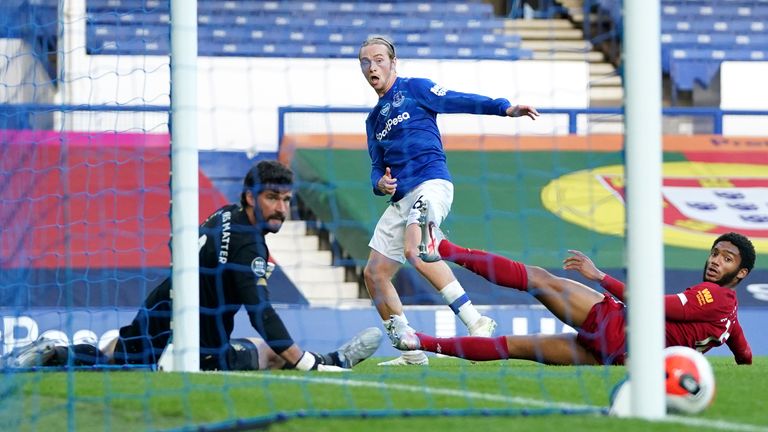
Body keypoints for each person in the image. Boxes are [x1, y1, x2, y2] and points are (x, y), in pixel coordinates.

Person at [4, 160, 382, 372]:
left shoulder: (224, 214)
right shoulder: (250, 245)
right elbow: (261, 312)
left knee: (118, 354)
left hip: (158, 311)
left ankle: (57, 349)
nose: (281, 208)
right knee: (266, 352)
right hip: (199, 344)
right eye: (272, 198)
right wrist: (304, 364)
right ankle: (332, 361)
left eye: (285, 199)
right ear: (250, 197)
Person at [358, 35, 540, 366]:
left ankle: (477, 322)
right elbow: (374, 167)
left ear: (393, 62)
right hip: (400, 199)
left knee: (417, 250)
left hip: (431, 183)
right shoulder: (373, 121)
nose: (372, 66)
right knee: (374, 274)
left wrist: (505, 108)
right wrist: (379, 183)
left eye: (379, 59)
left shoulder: (416, 89)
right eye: (366, 62)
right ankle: (411, 352)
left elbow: (458, 100)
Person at [388, 222, 754, 366]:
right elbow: (745, 354)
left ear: (741, 273)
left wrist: (600, 277)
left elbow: (649, 305)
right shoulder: (730, 317)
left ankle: (444, 248)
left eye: (727, 259)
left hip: (616, 326)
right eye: (715, 253)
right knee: (512, 347)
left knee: (538, 279)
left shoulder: (712, 296)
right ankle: (419, 341)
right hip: (618, 357)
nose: (715, 261)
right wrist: (742, 364)